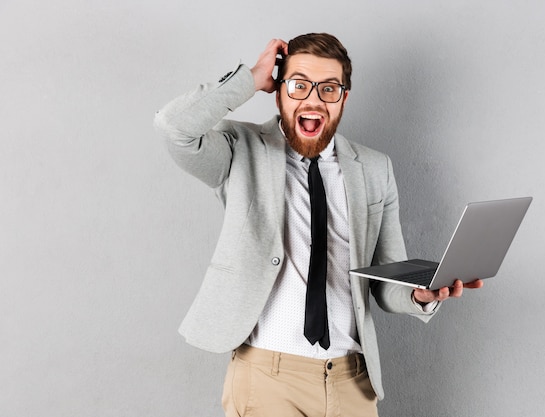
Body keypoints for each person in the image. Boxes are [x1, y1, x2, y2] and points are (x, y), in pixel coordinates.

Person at [154, 33, 482, 417]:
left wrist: (420, 295)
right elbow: (173, 127)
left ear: (343, 97)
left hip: (352, 382)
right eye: (298, 85)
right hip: (267, 379)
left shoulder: (376, 169)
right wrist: (251, 76)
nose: (313, 100)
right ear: (278, 91)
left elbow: (386, 283)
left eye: (328, 88)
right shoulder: (239, 149)